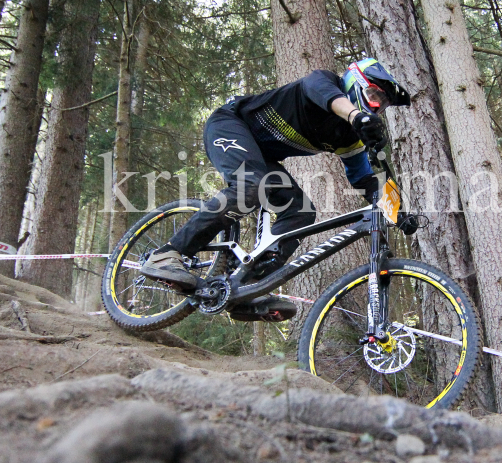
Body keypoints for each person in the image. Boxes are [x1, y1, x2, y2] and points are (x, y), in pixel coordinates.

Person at [140, 58, 411, 298]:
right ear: (355, 81)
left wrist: (397, 211)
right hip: (230, 124)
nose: (377, 107)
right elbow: (318, 89)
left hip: (260, 157)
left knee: (300, 213)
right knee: (251, 186)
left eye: (382, 105)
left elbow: (364, 179)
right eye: (375, 96)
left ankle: (246, 287)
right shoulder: (325, 82)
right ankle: (167, 254)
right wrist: (355, 116)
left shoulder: (348, 138)